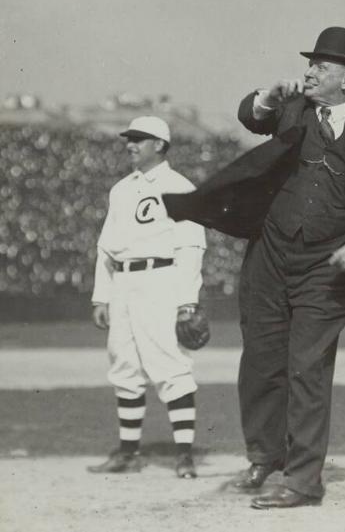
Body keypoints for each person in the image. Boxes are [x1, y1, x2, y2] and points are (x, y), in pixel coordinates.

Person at [229, 27, 345, 508]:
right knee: (261, 362)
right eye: (310, 64)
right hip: (270, 255)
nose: (309, 71)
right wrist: (266, 96)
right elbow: (251, 115)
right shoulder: (291, 109)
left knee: (308, 368)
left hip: (327, 266)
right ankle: (265, 456)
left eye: (321, 66)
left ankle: (304, 481)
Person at [87, 115, 207, 479]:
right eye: (129, 138)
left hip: (161, 280)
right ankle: (128, 453)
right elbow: (105, 248)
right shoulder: (121, 189)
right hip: (123, 283)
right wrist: (101, 297)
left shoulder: (179, 186)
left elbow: (191, 245)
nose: (130, 144)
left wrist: (187, 301)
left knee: (171, 364)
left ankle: (184, 455)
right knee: (124, 366)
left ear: (160, 144)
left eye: (139, 138)